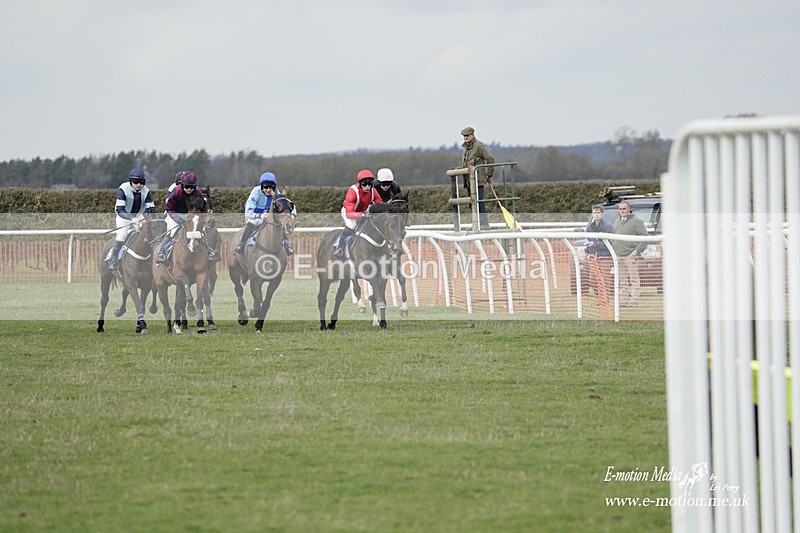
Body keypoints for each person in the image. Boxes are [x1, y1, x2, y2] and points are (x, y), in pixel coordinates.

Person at [234, 172, 295, 255]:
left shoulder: (277, 193)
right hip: (255, 215)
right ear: (262, 186)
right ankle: (241, 244)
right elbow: (248, 211)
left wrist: (291, 215)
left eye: (271, 187)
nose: (268, 190)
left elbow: (287, 203)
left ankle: (287, 246)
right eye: (266, 187)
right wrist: (259, 215)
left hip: (268, 216)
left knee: (280, 224)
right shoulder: (256, 191)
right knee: (253, 223)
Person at [107, 168, 156, 270]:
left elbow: (151, 210)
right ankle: (113, 258)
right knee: (122, 235)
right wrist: (132, 218)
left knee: (148, 235)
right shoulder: (123, 188)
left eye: (141, 182)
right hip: (124, 216)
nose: (138, 184)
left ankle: (151, 259)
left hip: (138, 216)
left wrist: (148, 221)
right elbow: (119, 209)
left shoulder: (146, 191)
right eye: (135, 182)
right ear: (130, 181)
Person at [155, 171, 208, 264]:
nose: (189, 189)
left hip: (189, 214)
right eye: (186, 186)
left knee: (201, 230)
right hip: (175, 213)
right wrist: (178, 219)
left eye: (191, 187)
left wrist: (202, 218)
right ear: (182, 185)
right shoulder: (176, 192)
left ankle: (208, 249)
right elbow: (169, 208)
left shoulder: (198, 192)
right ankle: (161, 252)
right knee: (172, 232)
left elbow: (203, 208)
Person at [332, 169, 383, 257]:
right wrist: (362, 215)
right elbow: (349, 214)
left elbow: (380, 203)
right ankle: (339, 247)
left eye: (370, 184)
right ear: (360, 184)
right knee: (352, 225)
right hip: (349, 211)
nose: (367, 187)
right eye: (364, 184)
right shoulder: (353, 191)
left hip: (363, 210)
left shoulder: (373, 191)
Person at [611, 201, 649, 307]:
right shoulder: (617, 222)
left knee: (634, 279)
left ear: (629, 209)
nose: (622, 211)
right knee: (622, 280)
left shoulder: (636, 221)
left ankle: (633, 301)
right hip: (619, 255)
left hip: (630, 255)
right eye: (620, 209)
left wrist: (637, 251)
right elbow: (613, 237)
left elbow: (645, 237)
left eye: (624, 209)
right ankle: (623, 301)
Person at [460, 126, 495, 229]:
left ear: (472, 135)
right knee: (471, 203)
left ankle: (484, 225)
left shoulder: (479, 146)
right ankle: (476, 224)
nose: (465, 137)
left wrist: (489, 175)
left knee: (479, 202)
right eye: (464, 136)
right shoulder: (465, 148)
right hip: (468, 180)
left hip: (478, 179)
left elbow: (491, 159)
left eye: (467, 135)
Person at [584, 205, 614, 307]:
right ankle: (600, 298)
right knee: (592, 280)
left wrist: (595, 244)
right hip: (594, 257)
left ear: (602, 214)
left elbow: (610, 243)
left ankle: (605, 300)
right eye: (594, 213)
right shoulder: (589, 227)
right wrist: (587, 252)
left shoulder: (608, 227)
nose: (596, 215)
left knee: (605, 279)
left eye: (598, 213)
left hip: (605, 256)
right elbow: (588, 241)